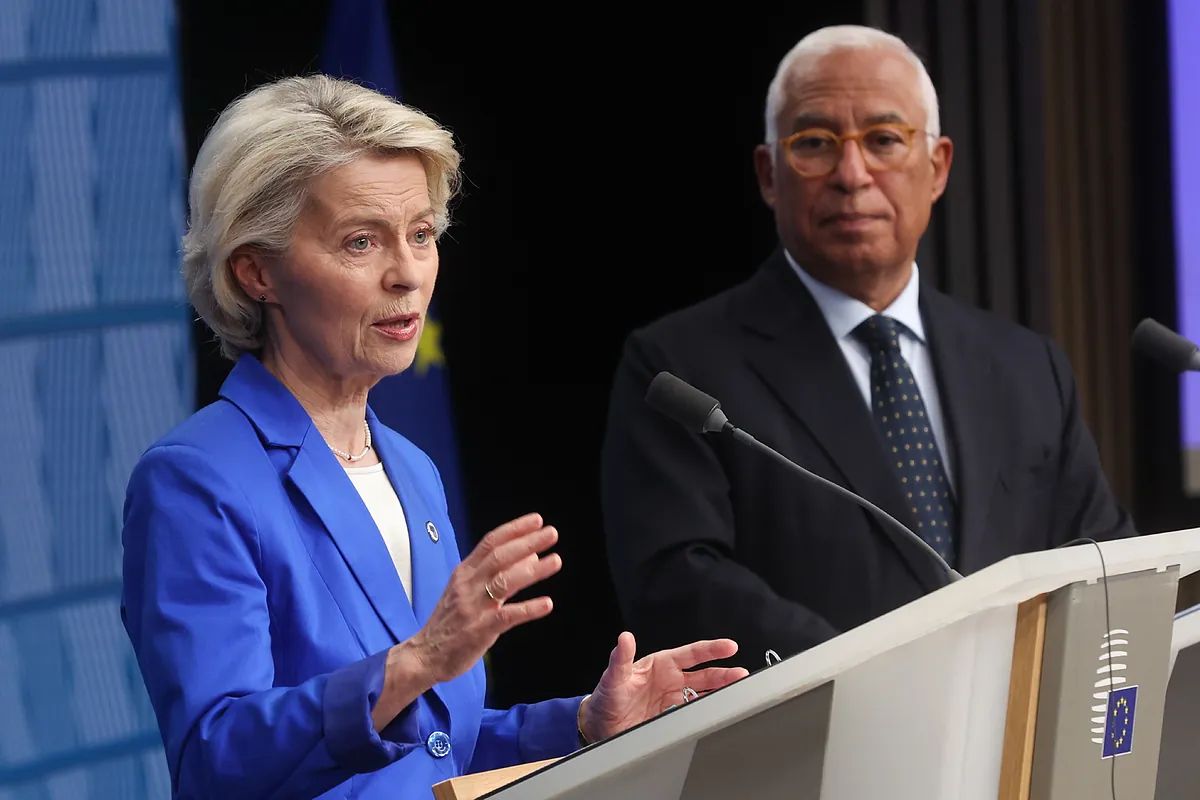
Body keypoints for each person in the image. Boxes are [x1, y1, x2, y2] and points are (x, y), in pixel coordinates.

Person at [120, 75, 747, 800]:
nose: (408, 274)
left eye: (421, 234)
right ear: (257, 271)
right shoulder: (196, 479)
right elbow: (215, 758)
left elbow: (435, 748)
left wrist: (580, 725)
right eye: (361, 241)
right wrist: (414, 663)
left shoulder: (410, 466)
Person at [600, 25, 1135, 673]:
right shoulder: (680, 370)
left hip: (1017, 723)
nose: (852, 175)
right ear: (769, 175)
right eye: (814, 144)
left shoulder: (1027, 368)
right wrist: (872, 673)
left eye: (883, 140)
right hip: (813, 725)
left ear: (937, 167)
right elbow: (678, 582)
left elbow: (1102, 560)